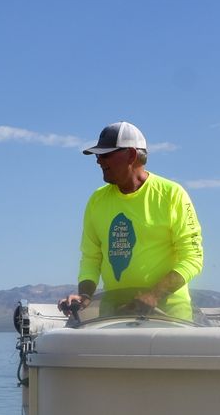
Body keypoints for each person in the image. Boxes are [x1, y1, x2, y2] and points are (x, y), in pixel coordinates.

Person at [58, 122, 204, 322]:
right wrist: (84, 296)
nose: (99, 161)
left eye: (105, 154)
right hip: (114, 313)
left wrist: (154, 295)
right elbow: (91, 257)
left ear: (132, 155)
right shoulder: (96, 201)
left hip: (170, 317)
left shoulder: (172, 195)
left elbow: (192, 258)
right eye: (97, 155)